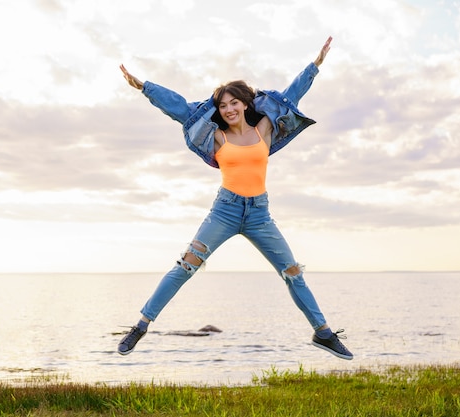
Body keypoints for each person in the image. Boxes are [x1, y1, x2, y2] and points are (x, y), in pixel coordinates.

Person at [117, 36, 353, 360]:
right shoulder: (215, 135)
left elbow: (292, 94)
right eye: (223, 105)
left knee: (292, 272)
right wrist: (145, 88)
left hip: (259, 214)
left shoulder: (265, 129)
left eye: (233, 103)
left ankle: (323, 333)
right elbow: (179, 108)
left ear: (244, 103)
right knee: (186, 266)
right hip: (224, 211)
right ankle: (140, 326)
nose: (228, 109)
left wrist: (316, 65)